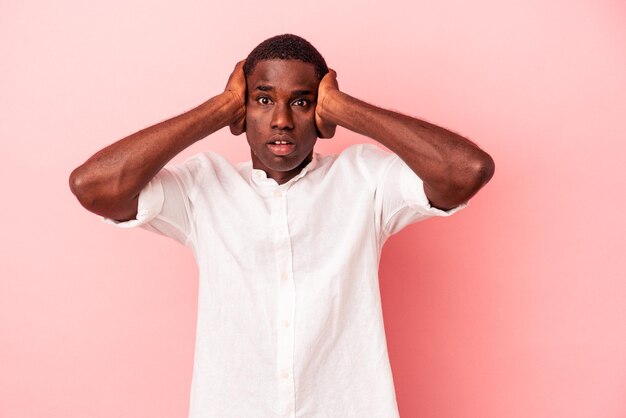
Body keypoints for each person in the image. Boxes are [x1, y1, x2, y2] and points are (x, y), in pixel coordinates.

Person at [69, 34, 494, 418]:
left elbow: (467, 171)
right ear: (242, 110)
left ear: (321, 112)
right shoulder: (203, 187)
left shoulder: (364, 180)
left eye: (303, 101)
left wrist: (346, 109)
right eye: (264, 100)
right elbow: (93, 187)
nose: (282, 121)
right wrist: (217, 110)